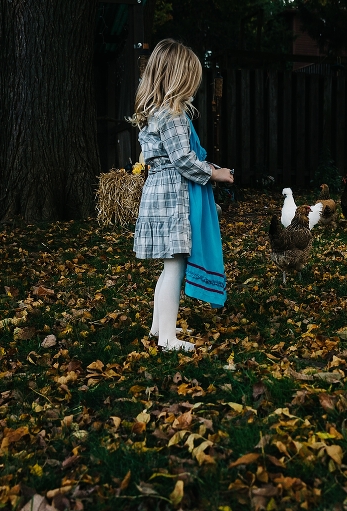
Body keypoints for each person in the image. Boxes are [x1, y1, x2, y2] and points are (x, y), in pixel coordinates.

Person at [129, 39, 234, 352]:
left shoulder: (152, 113)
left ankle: (158, 326)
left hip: (157, 194)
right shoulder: (173, 115)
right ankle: (167, 340)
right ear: (179, 79)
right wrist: (214, 173)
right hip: (172, 199)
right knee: (174, 267)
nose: (194, 88)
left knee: (168, 267)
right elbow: (183, 160)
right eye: (191, 81)